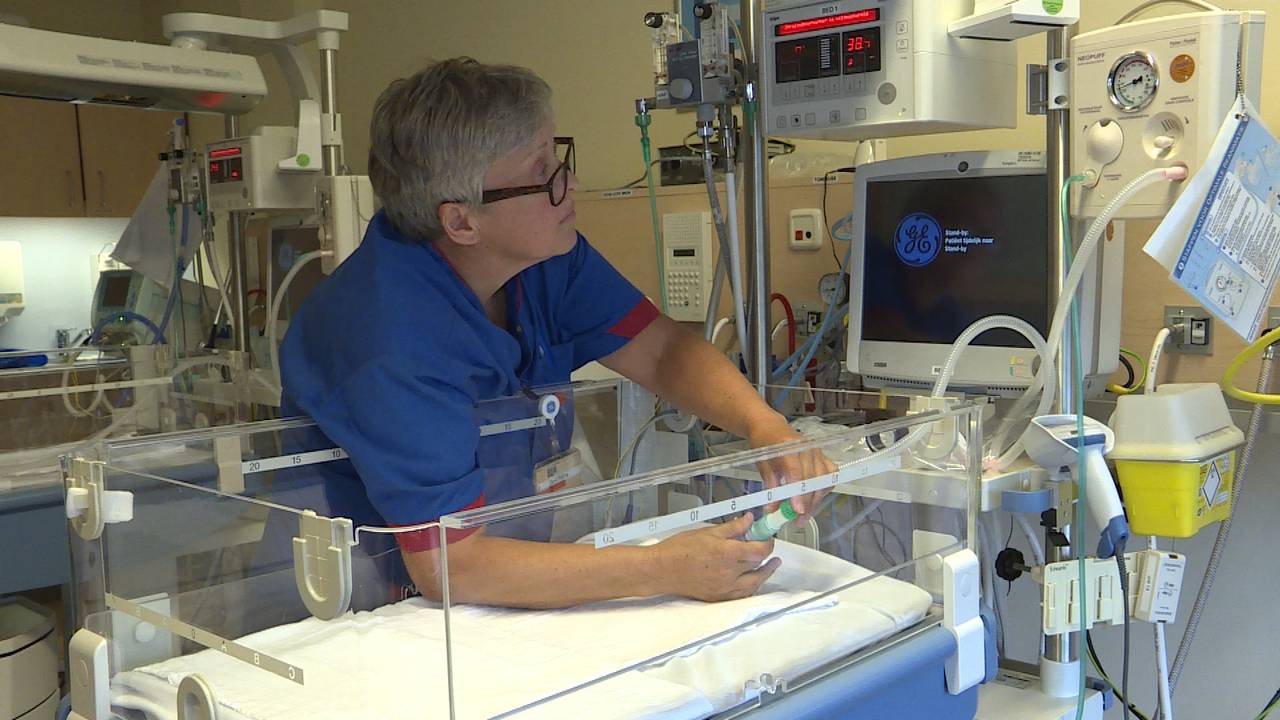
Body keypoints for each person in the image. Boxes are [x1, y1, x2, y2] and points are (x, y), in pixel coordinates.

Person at [280, 57, 830, 610]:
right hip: (364, 607)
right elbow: (454, 565)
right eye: (542, 174)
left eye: (558, 158)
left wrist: (765, 427)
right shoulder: (390, 337)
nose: (569, 185)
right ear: (462, 222)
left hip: (493, 587)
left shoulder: (543, 262)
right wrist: (664, 567)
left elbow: (662, 352)